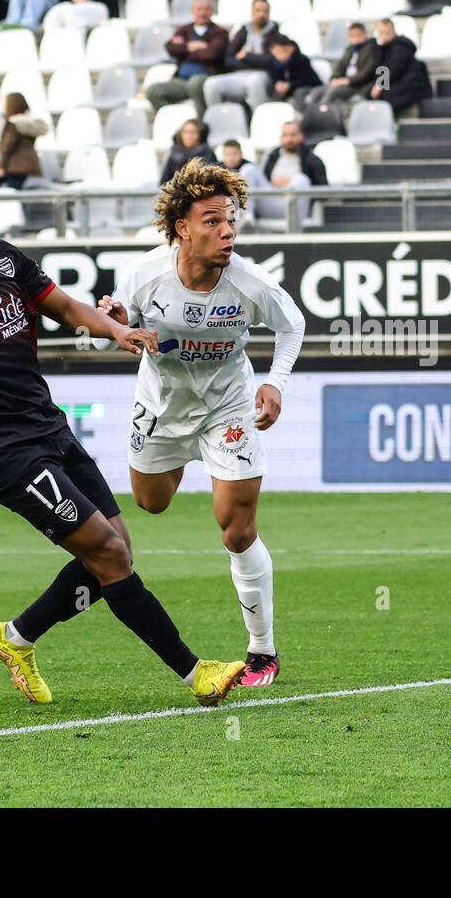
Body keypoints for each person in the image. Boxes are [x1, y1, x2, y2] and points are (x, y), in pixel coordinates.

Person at [0, 169, 246, 708]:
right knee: (108, 553)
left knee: (116, 548)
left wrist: (117, 330)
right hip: (1, 449)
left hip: (49, 425)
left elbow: (64, 307)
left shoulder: (3, 258)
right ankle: (196, 673)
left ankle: (16, 637)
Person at [95, 158, 306, 690]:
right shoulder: (145, 275)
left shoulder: (250, 281)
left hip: (227, 407)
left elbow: (292, 324)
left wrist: (275, 383)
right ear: (181, 228)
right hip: (162, 405)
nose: (227, 230)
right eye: (212, 220)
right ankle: (185, 461)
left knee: (236, 528)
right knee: (151, 503)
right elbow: (108, 333)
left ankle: (262, 652)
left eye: (231, 219)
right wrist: (115, 328)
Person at [149, 0, 228, 118]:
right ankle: (171, 122)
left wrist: (184, 49)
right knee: (154, 91)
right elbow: (170, 47)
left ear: (212, 11)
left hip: (206, 76)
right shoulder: (184, 29)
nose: (202, 13)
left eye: (206, 9)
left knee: (195, 84)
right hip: (181, 80)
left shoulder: (219, 32)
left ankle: (202, 124)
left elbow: (212, 54)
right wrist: (190, 46)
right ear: (192, 11)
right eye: (198, 9)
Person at [203, 0, 280, 112]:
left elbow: (270, 61)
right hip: (238, 75)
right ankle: (218, 118)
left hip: (263, 76)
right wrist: (255, 61)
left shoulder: (275, 34)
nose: (261, 14)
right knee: (211, 84)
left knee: (255, 82)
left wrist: (246, 56)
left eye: (265, 11)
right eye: (258, 10)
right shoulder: (243, 31)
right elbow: (228, 60)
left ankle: (256, 122)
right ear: (252, 12)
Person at [259, 120, 326, 223]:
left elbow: (323, 190)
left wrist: (288, 184)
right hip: (272, 202)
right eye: (285, 135)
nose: (289, 139)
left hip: (297, 208)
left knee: (301, 180)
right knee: (248, 170)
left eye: (293, 135)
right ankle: (242, 220)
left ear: (301, 136)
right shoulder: (272, 157)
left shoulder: (312, 160)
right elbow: (264, 180)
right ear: (280, 138)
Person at [304, 20, 378, 109]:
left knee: (332, 93)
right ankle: (309, 114)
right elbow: (339, 67)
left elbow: (366, 72)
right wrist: (334, 78)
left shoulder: (371, 50)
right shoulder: (349, 50)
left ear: (365, 34)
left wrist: (347, 81)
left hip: (357, 85)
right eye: (352, 36)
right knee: (316, 92)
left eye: (358, 35)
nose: (355, 38)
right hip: (343, 82)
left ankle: (321, 115)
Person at [370, 17, 431, 114]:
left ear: (393, 31)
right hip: (400, 83)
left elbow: (395, 68)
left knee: (385, 97)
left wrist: (379, 85)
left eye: (387, 32)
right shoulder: (384, 48)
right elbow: (380, 67)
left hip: (413, 86)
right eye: (381, 32)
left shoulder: (401, 46)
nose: (384, 35)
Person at [0, 92, 48, 189]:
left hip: (15, 167)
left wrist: (1, 166)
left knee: (14, 196)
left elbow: (7, 147)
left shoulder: (13, 123)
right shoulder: (30, 122)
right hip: (32, 165)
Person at [265, 34, 322, 111]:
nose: (280, 56)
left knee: (299, 93)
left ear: (290, 48)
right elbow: (273, 77)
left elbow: (308, 80)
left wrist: (290, 85)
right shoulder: (273, 62)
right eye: (276, 53)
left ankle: (304, 116)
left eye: (282, 51)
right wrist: (276, 84)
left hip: (308, 87)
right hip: (287, 90)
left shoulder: (301, 60)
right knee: (274, 91)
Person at [218, 137, 265, 223]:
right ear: (222, 156)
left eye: (234, 154)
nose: (230, 158)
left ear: (241, 154)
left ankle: (248, 215)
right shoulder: (218, 170)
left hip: (260, 203)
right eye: (227, 154)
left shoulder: (249, 168)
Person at [160, 118, 216, 182]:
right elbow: (164, 181)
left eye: (193, 132)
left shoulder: (207, 153)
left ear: (200, 135)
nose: (189, 136)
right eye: (185, 132)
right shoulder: (174, 153)